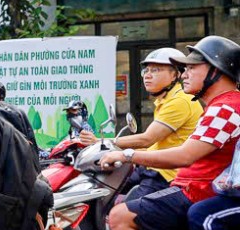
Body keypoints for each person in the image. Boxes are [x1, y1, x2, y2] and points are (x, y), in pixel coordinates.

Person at [99, 36, 240, 230]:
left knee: (120, 217)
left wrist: (125, 154)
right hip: (189, 186)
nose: (185, 74)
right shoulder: (216, 105)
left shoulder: (227, 107)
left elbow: (184, 155)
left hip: (198, 191)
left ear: (216, 71)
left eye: (192, 68)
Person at [80, 48, 201, 200]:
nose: (147, 76)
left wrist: (99, 141)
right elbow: (160, 144)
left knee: (122, 214)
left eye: (156, 70)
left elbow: (147, 139)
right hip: (153, 167)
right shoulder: (167, 100)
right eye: (146, 70)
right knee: (104, 186)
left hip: (167, 174)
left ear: (175, 75)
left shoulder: (179, 101)